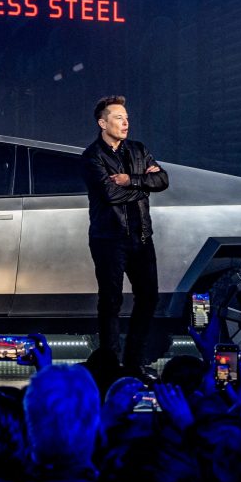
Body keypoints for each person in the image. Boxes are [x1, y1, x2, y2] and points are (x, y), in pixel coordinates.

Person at [82, 95, 169, 375]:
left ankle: (134, 362)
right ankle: (110, 366)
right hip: (109, 239)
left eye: (126, 117)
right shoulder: (92, 156)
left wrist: (131, 180)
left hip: (141, 237)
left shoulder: (138, 149)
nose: (125, 122)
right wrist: (144, 186)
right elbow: (110, 194)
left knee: (149, 297)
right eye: (118, 117)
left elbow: (162, 180)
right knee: (111, 302)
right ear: (102, 123)